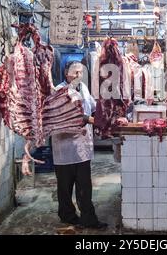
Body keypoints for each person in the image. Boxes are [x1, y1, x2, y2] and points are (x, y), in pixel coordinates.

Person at [51, 60, 107, 229]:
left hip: (82, 147)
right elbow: (69, 116)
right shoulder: (58, 91)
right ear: (66, 72)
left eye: (81, 72)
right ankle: (67, 215)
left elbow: (91, 106)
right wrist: (92, 120)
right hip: (65, 147)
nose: (78, 75)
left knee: (84, 186)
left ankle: (88, 218)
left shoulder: (83, 87)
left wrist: (106, 113)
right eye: (75, 72)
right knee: (65, 187)